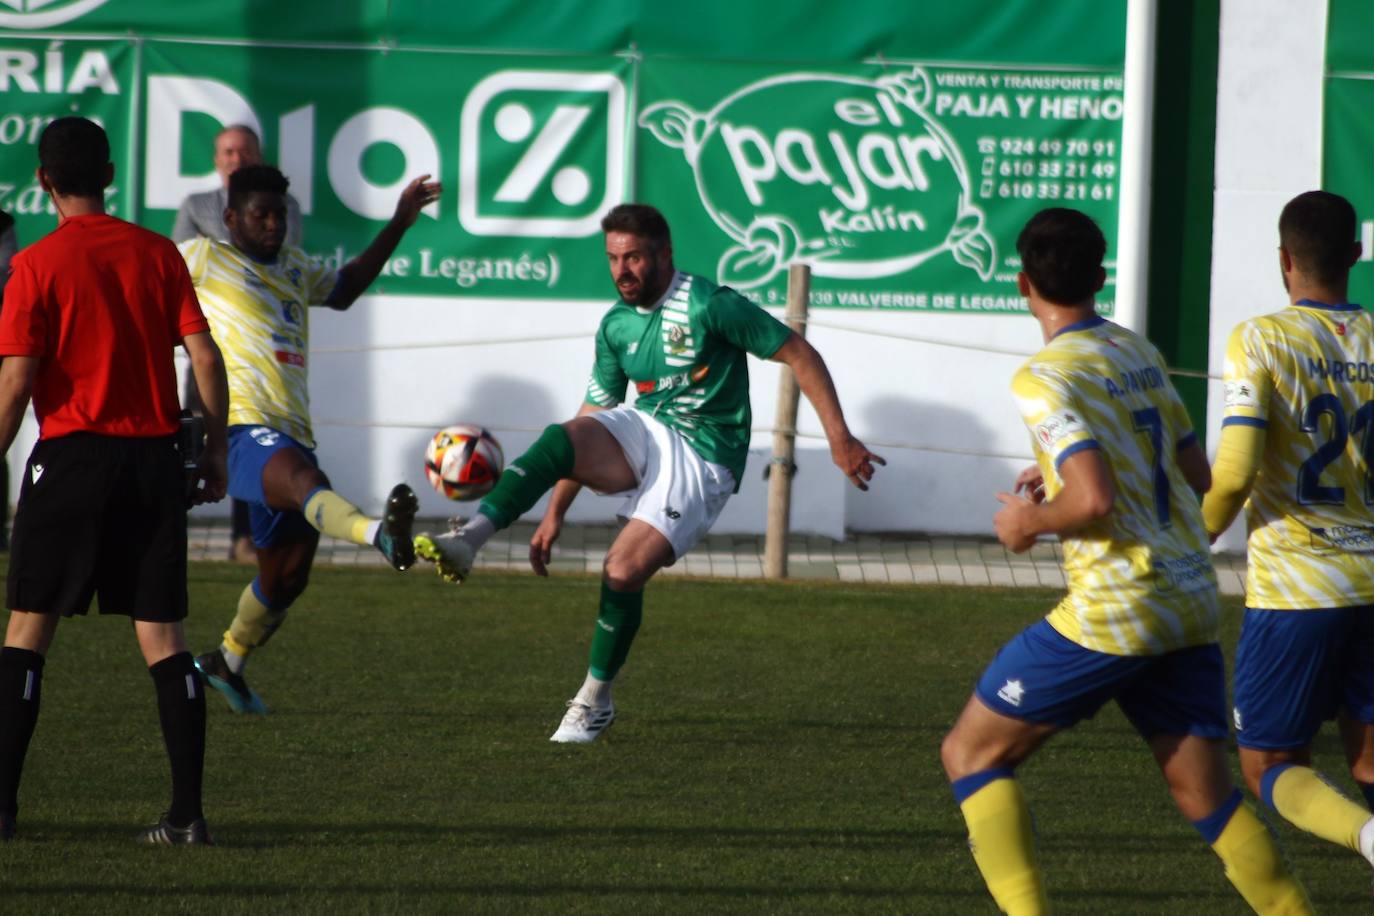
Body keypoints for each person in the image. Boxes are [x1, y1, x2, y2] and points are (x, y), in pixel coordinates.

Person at [939, 208, 1312, 914]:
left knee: (971, 754)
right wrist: (1054, 470)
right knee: (1206, 796)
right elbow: (1195, 471)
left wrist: (1028, 523)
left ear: (1022, 283)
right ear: (1100, 277)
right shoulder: (1136, 351)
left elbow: (1093, 499)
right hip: (1189, 597)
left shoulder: (1041, 377)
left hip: (1118, 605)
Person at [414, 203, 883, 743]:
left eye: (634, 257)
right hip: (644, 428)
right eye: (613, 258)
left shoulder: (710, 304)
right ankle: (471, 537)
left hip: (703, 455)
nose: (622, 270)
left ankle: (594, 698)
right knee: (563, 435)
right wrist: (553, 513)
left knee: (621, 572)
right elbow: (593, 415)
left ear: (664, 254)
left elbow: (800, 353)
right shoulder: (615, 326)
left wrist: (840, 440)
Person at [0, 116, 230, 844]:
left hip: (70, 459)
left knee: (28, 633)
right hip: (153, 461)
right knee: (166, 638)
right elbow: (207, 358)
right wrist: (216, 450)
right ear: (109, 175)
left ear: (43, 181)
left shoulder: (35, 266)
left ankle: (2, 809)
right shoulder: (158, 253)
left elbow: (16, 381)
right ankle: (187, 815)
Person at [184, 164, 438, 716]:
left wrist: (400, 220)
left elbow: (345, 289)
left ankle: (227, 660)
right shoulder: (205, 259)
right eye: (261, 215)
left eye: (280, 215)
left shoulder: (296, 268)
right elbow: (139, 278)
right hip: (239, 425)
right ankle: (381, 538)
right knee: (307, 484)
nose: (274, 225)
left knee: (287, 577)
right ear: (231, 219)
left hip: (294, 431)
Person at [1201, 190, 1374, 875]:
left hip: (1298, 588)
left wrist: (1194, 539)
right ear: (1356, 258)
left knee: (1268, 762)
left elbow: (1237, 469)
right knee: (1368, 758)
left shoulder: (1261, 337)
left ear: (1283, 259)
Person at [172, 124, 302, 565]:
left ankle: (245, 539)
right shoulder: (196, 205)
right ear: (216, 159)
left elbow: (280, 261)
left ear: (258, 155)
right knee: (191, 440)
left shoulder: (288, 207)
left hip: (261, 358)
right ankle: (173, 529)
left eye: (244, 151)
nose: (236, 159)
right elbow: (178, 263)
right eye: (228, 152)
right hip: (207, 348)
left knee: (254, 448)